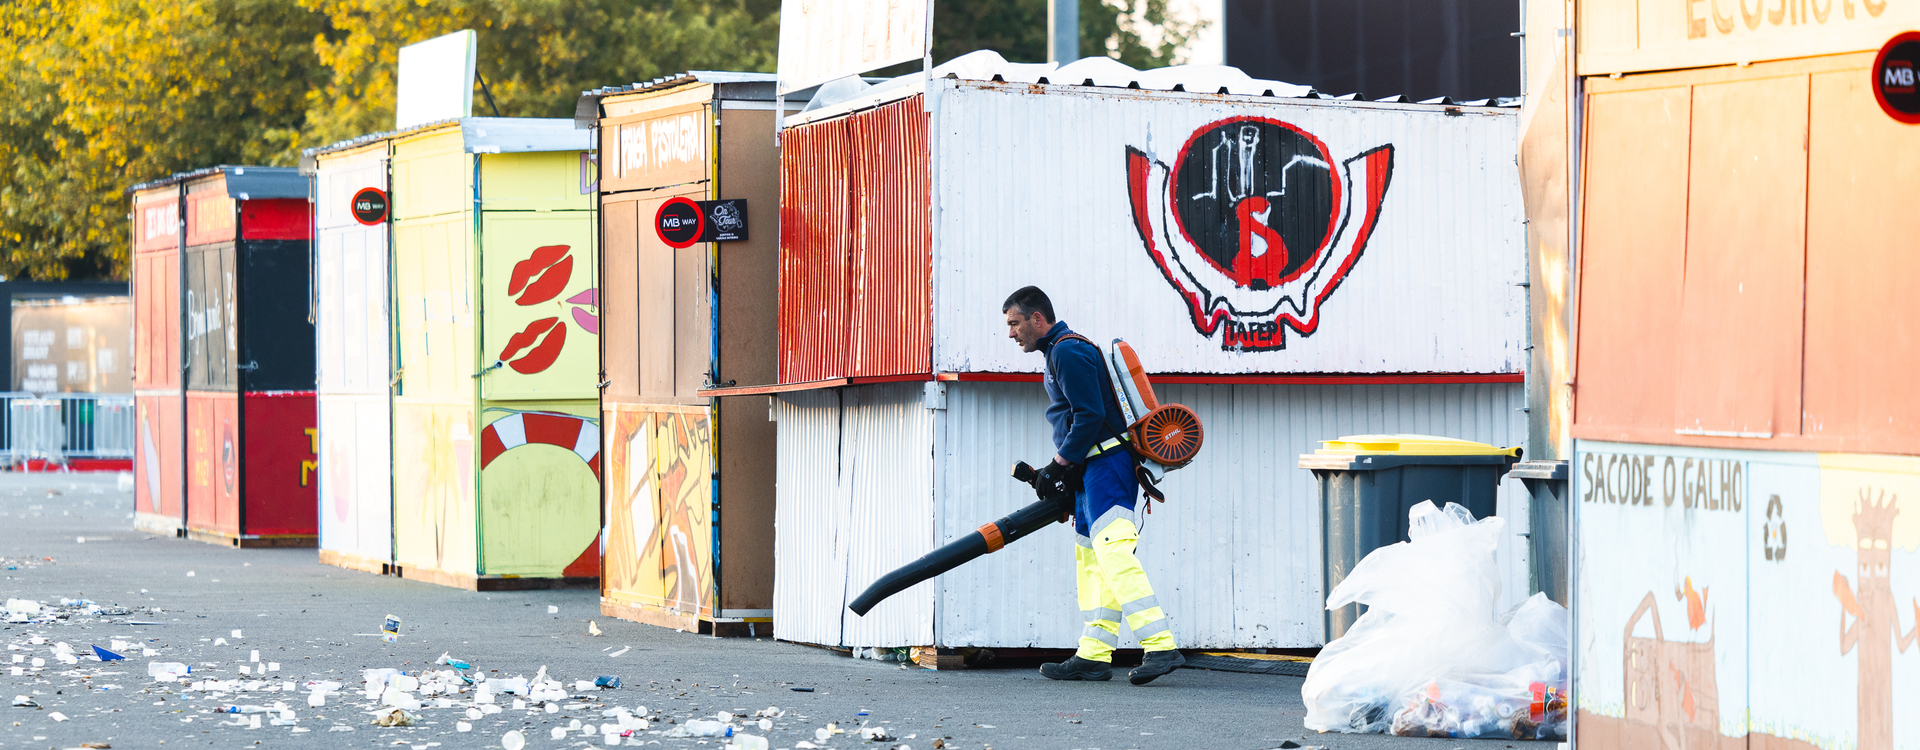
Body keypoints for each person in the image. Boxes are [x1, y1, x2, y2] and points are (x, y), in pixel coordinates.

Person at [1002, 285, 1184, 685]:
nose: (1011, 333)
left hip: (1108, 467)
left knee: (1113, 553)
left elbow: (1089, 415)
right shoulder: (1059, 351)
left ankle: (1161, 646)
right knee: (1093, 560)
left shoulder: (1067, 351)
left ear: (1037, 318)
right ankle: (1094, 655)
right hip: (1092, 469)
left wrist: (1058, 465)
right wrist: (1066, 469)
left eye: (1015, 323)